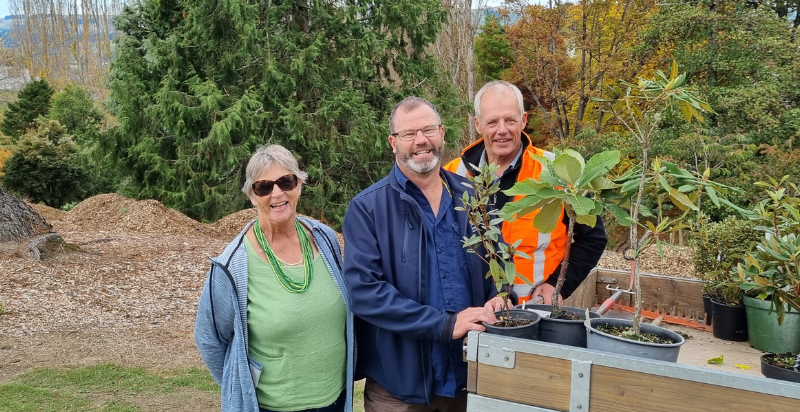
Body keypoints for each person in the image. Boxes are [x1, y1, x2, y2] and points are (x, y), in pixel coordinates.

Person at [343, 97, 508, 412]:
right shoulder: (368, 208)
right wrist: (445, 325)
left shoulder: (474, 199)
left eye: (428, 130)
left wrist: (499, 295)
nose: (421, 140)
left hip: (470, 378)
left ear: (442, 133)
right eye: (409, 134)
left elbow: (497, 265)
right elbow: (365, 293)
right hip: (400, 390)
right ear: (394, 143)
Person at [195, 145, 355, 412]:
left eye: (286, 181)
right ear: (251, 195)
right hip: (272, 406)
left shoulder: (325, 238)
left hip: (336, 400)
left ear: (299, 185)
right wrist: (240, 387)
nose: (277, 193)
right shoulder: (232, 264)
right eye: (264, 187)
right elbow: (209, 338)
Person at [444, 81, 607, 303]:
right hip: (471, 312)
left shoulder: (557, 171)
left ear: (523, 120)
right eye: (492, 121)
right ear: (478, 124)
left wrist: (558, 285)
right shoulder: (451, 175)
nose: (502, 130)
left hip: (533, 312)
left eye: (510, 120)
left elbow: (593, 238)